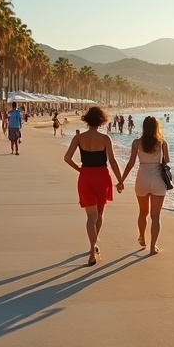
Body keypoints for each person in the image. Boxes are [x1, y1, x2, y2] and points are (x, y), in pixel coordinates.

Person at [63, 107, 123, 266]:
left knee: (91, 217)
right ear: (102, 120)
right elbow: (112, 161)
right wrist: (120, 180)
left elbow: (67, 158)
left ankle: (92, 250)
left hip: (86, 177)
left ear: (87, 119)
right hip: (102, 177)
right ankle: (93, 247)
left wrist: (80, 169)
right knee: (100, 214)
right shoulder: (105, 139)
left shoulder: (79, 138)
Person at [119, 116, 171, 256]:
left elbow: (131, 163)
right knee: (155, 216)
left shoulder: (137, 143)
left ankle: (142, 237)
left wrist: (121, 180)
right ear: (156, 127)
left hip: (142, 178)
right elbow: (167, 160)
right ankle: (153, 247)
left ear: (144, 127)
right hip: (158, 180)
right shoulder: (162, 142)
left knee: (143, 212)